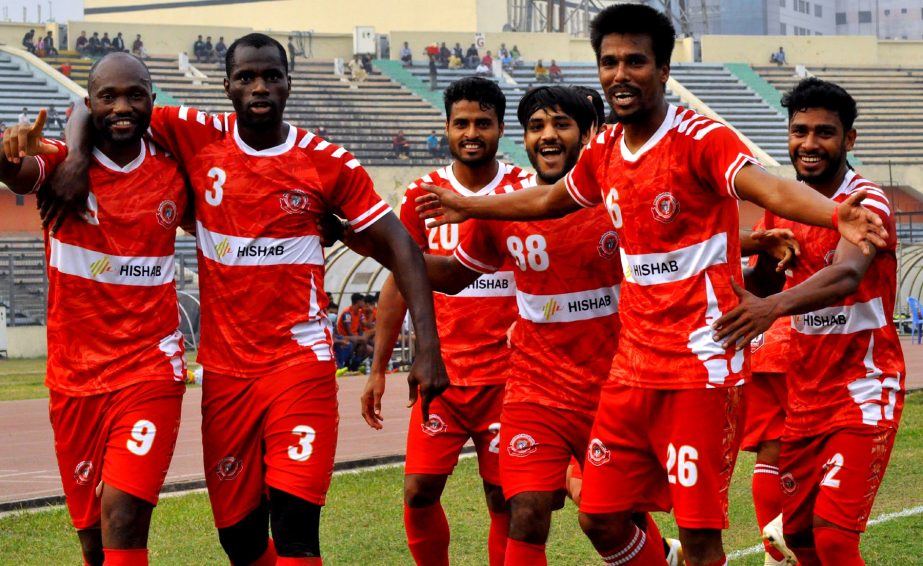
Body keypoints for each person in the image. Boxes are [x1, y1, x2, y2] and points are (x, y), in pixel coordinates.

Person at [415, 5, 888, 565]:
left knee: (701, 538)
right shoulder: (606, 150)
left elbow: (766, 187)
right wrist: (469, 205)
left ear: (663, 70)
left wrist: (836, 216)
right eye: (609, 62)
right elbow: (547, 200)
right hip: (630, 371)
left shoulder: (700, 138)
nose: (620, 74)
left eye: (635, 61)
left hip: (700, 370)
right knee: (598, 515)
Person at [49, 33, 448, 566]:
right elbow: (95, 102)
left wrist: (427, 347)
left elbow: (402, 248)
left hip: (299, 365)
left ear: (289, 83)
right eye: (246, 78)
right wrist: (74, 157)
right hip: (226, 375)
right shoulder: (194, 134)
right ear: (227, 87)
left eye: (271, 77)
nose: (259, 87)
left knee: (296, 529)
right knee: (238, 540)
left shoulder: (327, 163)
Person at [0, 52, 188, 566]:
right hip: (73, 381)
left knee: (123, 518)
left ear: (153, 100)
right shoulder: (61, 161)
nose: (122, 107)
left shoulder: (175, 170)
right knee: (92, 543)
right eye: (108, 97)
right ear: (89, 103)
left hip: (151, 371)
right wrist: (7, 150)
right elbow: (18, 173)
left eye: (135, 95)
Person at [714, 78, 904, 566]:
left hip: (864, 389)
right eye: (800, 131)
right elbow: (758, 287)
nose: (810, 144)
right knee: (798, 541)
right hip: (805, 397)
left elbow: (845, 274)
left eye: (825, 132)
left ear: (849, 140)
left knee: (836, 540)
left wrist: (770, 309)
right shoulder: (785, 206)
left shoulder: (867, 201)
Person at [361, 77, 528, 566]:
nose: (471, 132)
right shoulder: (422, 196)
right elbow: (398, 279)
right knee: (418, 491)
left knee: (505, 499)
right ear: (447, 128)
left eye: (482, 123)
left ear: (500, 128)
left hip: (510, 377)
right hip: (444, 375)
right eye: (461, 123)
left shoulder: (523, 191)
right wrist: (376, 368)